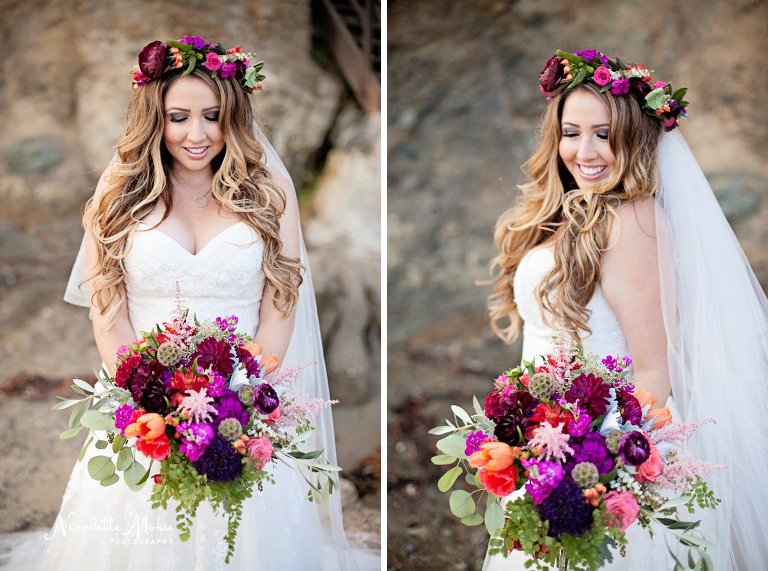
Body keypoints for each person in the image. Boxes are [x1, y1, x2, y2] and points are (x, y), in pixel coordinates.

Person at [17, 36, 364, 570]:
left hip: (240, 400)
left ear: (234, 116)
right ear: (155, 117)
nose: (196, 134)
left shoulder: (269, 189)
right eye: (179, 117)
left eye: (212, 116)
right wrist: (149, 399)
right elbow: (108, 311)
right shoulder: (120, 190)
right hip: (143, 394)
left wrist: (244, 400)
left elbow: (280, 303)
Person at [483, 49, 768, 570]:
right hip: (547, 444)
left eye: (603, 133)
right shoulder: (569, 215)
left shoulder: (632, 220)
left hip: (595, 457)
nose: (585, 151)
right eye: (571, 132)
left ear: (634, 138)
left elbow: (655, 370)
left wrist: (592, 464)